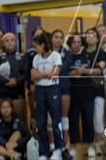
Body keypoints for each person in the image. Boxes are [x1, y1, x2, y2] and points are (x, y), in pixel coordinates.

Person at [31, 32, 71, 160]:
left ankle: (59, 149)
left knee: (55, 121)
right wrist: (44, 74)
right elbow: (33, 77)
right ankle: (44, 152)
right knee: (41, 123)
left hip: (53, 89)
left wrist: (40, 75)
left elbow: (55, 74)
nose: (35, 49)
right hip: (40, 90)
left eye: (36, 46)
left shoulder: (55, 56)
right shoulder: (36, 58)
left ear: (43, 45)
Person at [0, 33, 28, 120]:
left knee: (18, 118)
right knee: (2, 119)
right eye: (7, 41)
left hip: (17, 91)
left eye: (12, 40)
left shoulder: (22, 57)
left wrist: (16, 81)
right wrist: (6, 81)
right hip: (3, 92)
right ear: (3, 44)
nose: (9, 42)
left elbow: (25, 74)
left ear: (15, 42)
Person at [68, 33, 94, 155]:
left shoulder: (87, 55)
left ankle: (89, 145)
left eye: (79, 42)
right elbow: (64, 72)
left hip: (87, 92)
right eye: (74, 42)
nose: (77, 44)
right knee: (73, 120)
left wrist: (83, 70)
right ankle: (73, 146)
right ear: (70, 44)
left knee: (88, 119)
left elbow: (95, 71)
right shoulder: (66, 56)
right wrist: (74, 72)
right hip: (72, 93)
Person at [84, 27, 106, 157]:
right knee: (87, 121)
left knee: (98, 119)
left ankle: (99, 146)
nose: (90, 37)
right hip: (83, 91)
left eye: (93, 35)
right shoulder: (82, 52)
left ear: (98, 39)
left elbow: (99, 69)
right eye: (88, 34)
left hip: (97, 90)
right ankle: (89, 147)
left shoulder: (101, 53)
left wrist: (84, 71)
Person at [51, 29, 72, 146]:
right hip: (51, 88)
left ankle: (65, 141)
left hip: (64, 87)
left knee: (64, 116)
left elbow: (63, 68)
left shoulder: (67, 53)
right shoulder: (47, 53)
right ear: (51, 39)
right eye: (56, 37)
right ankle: (53, 143)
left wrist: (53, 69)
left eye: (60, 37)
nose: (58, 39)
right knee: (53, 117)